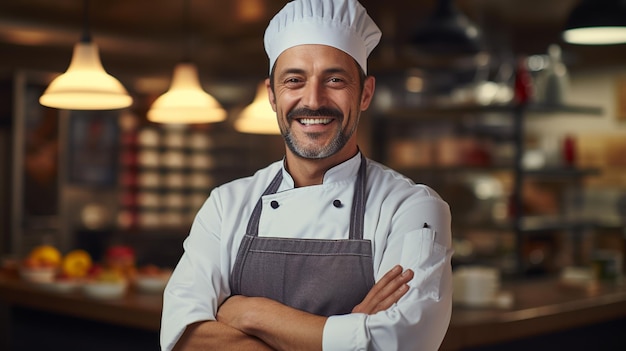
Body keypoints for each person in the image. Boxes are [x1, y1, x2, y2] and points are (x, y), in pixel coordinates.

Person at [160, 0, 453, 350]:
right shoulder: (226, 205)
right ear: (272, 95)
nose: (313, 100)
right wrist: (349, 330)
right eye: (294, 80)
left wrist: (252, 313)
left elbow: (405, 343)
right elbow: (183, 338)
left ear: (366, 93)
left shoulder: (412, 208)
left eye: (335, 79)